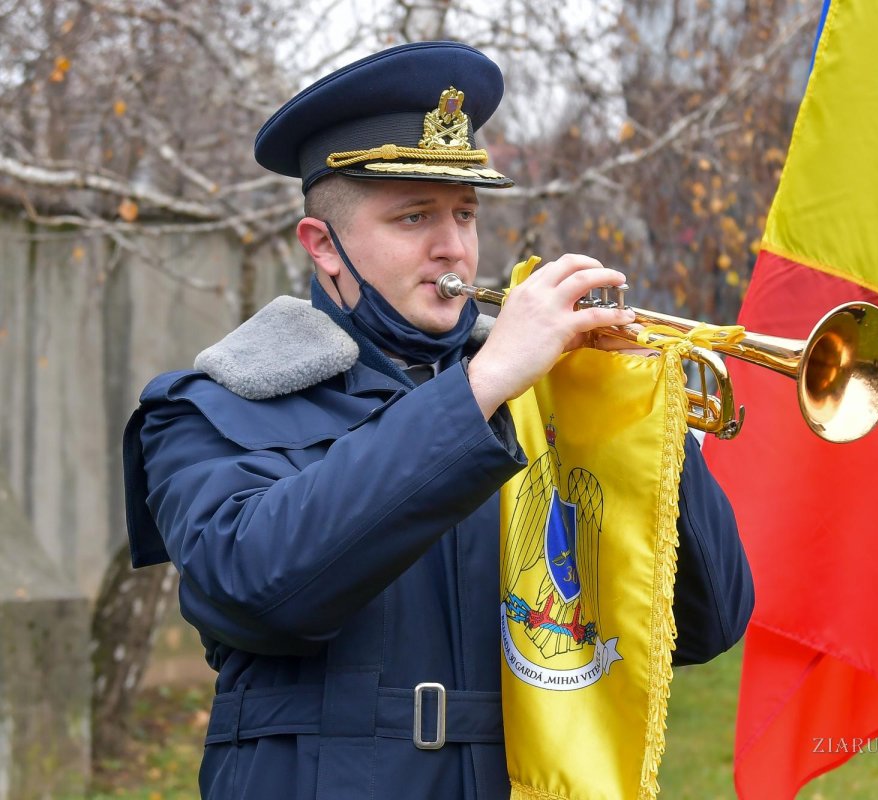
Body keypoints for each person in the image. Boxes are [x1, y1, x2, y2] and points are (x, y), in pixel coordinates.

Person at [121, 41, 753, 800]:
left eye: (464, 213)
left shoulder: (539, 397)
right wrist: (481, 385)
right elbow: (259, 590)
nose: (451, 246)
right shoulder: (216, 403)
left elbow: (709, 625)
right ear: (324, 248)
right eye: (414, 216)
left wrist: (641, 413)